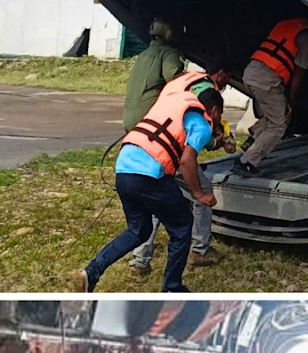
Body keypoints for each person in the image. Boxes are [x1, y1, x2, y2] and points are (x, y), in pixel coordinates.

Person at [77, 70, 226, 294]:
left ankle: (92, 272)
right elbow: (187, 161)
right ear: (214, 110)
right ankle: (172, 287)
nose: (217, 120)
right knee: (182, 226)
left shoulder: (173, 103)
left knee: (138, 230)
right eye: (219, 115)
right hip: (150, 176)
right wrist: (199, 194)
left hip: (124, 169)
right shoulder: (202, 124)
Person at [236, 17, 308, 173]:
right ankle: (247, 162)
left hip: (251, 72)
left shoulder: (289, 24)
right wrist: (291, 101)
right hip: (267, 79)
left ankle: (254, 138)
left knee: (274, 113)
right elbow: (300, 71)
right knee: (279, 124)